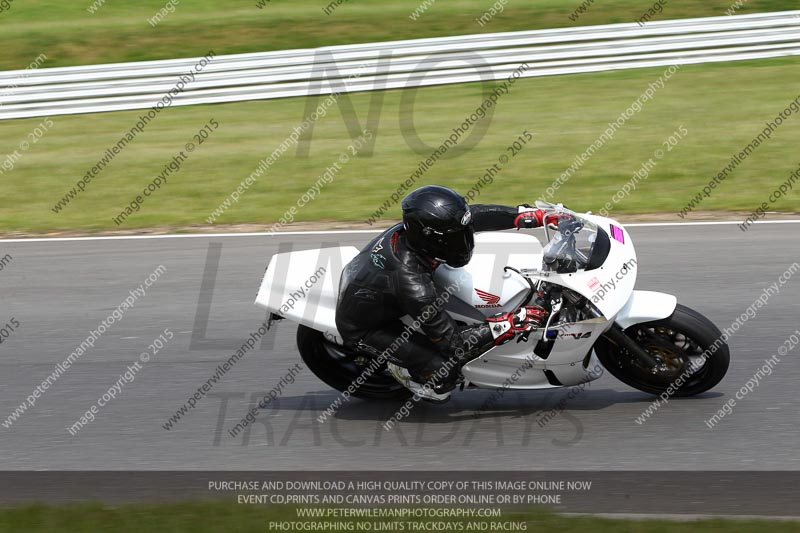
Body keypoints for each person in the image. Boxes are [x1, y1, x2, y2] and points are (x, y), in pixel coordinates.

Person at [335, 185, 554, 402]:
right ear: (431, 239)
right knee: (445, 374)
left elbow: (472, 216)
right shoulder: (413, 284)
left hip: (376, 286)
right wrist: (508, 324)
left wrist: (526, 215)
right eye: (455, 238)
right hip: (366, 327)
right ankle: (403, 371)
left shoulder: (418, 233)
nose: (464, 240)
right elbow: (454, 344)